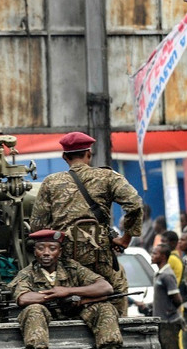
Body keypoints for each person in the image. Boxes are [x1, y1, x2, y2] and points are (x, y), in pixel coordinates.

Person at [29, 132, 143, 316]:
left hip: (65, 264)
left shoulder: (51, 182)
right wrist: (125, 239)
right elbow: (135, 205)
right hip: (101, 260)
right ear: (89, 154)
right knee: (117, 290)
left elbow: (37, 226)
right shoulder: (108, 177)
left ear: (64, 157)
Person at [10, 229, 136, 349]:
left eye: (52, 248)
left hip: (77, 313)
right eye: (41, 248)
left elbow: (105, 287)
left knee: (105, 308)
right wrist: (55, 296)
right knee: (33, 310)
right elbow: (23, 298)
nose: (46, 253)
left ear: (60, 251)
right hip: (45, 317)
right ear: (35, 251)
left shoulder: (72, 267)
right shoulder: (28, 273)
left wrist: (69, 292)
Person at [150, 244, 184, 349]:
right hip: (161, 322)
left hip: (169, 323)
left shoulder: (167, 275)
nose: (152, 255)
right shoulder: (159, 274)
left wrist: (170, 312)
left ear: (163, 256)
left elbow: (177, 299)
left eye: (155, 253)